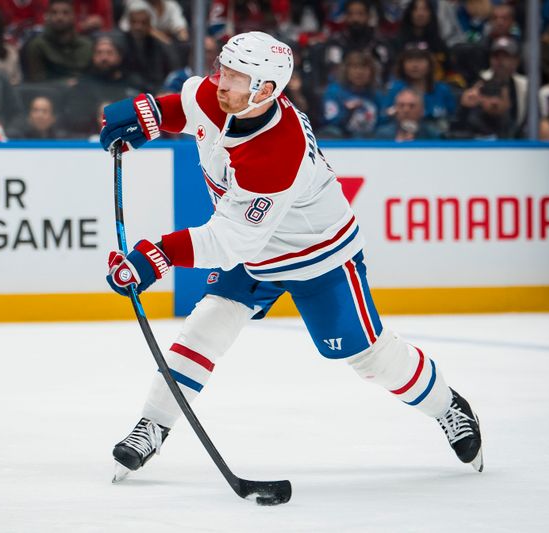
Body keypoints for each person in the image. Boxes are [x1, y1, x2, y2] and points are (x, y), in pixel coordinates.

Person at [97, 31, 484, 481]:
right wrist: (147, 116)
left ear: (265, 91)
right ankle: (154, 424)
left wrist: (156, 256)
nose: (221, 83)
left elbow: (229, 241)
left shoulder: (278, 151)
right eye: (223, 69)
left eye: (236, 78)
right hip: (253, 249)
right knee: (206, 327)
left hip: (318, 256)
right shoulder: (220, 95)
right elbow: (185, 107)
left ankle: (447, 405)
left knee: (368, 357)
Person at [23, 0, 93, 82]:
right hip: (49, 93)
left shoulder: (87, 46)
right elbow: (36, 84)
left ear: (73, 16)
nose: (59, 17)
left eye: (65, 13)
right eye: (54, 13)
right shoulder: (37, 46)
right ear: (47, 16)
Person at [320, 50, 381, 138]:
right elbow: (330, 122)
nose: (359, 72)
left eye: (364, 67)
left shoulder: (376, 94)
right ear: (346, 71)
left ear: (371, 72)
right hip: (343, 141)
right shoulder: (334, 92)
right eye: (355, 67)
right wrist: (347, 112)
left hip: (370, 141)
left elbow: (381, 121)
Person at [375, 87, 441, 140]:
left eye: (412, 106)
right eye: (401, 105)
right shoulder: (382, 135)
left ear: (422, 110)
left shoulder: (432, 135)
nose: (406, 110)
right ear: (395, 109)